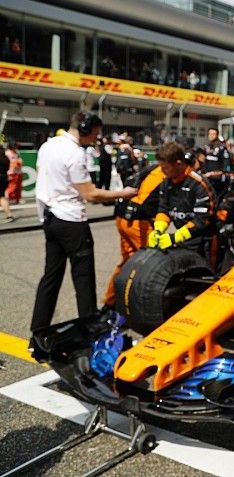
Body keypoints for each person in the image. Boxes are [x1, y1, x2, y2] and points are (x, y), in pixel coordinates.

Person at [30, 111, 137, 340]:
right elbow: (90, 195)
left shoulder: (48, 146)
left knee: (51, 277)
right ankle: (90, 335)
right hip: (71, 221)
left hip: (50, 218)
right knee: (84, 280)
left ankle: (38, 331)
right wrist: (123, 194)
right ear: (85, 129)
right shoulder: (75, 153)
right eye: (95, 134)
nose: (96, 138)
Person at [102, 163, 165, 308]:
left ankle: (110, 302)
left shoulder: (153, 169)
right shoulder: (167, 172)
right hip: (139, 221)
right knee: (149, 264)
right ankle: (140, 307)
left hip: (123, 216)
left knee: (127, 262)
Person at [148, 142, 216, 264]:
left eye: (165, 168)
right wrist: (158, 230)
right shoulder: (166, 182)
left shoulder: (199, 184)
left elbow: (202, 220)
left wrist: (175, 237)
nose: (162, 172)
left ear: (178, 164)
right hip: (182, 240)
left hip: (204, 241)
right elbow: (163, 209)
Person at [201, 127, 232, 196]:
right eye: (210, 134)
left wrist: (218, 174)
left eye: (213, 134)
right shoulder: (206, 147)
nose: (211, 135)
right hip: (207, 177)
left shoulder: (222, 147)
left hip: (217, 179)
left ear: (217, 135)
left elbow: (226, 164)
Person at [0, 145, 16, 223]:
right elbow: (7, 168)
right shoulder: (5, 158)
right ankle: (9, 215)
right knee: (2, 197)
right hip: (4, 178)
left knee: (2, 198)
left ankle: (9, 215)